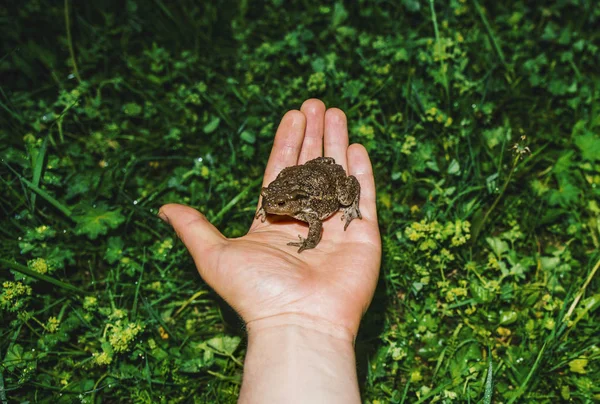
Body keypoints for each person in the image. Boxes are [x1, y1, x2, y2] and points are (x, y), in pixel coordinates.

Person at [158, 99, 381, 403]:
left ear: (292, 202)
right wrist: (270, 202)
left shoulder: (306, 209)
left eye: (276, 205)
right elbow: (275, 194)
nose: (269, 206)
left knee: (343, 195)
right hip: (304, 176)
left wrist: (309, 241)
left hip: (322, 183)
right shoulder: (281, 198)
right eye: (267, 201)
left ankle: (351, 204)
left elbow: (315, 225)